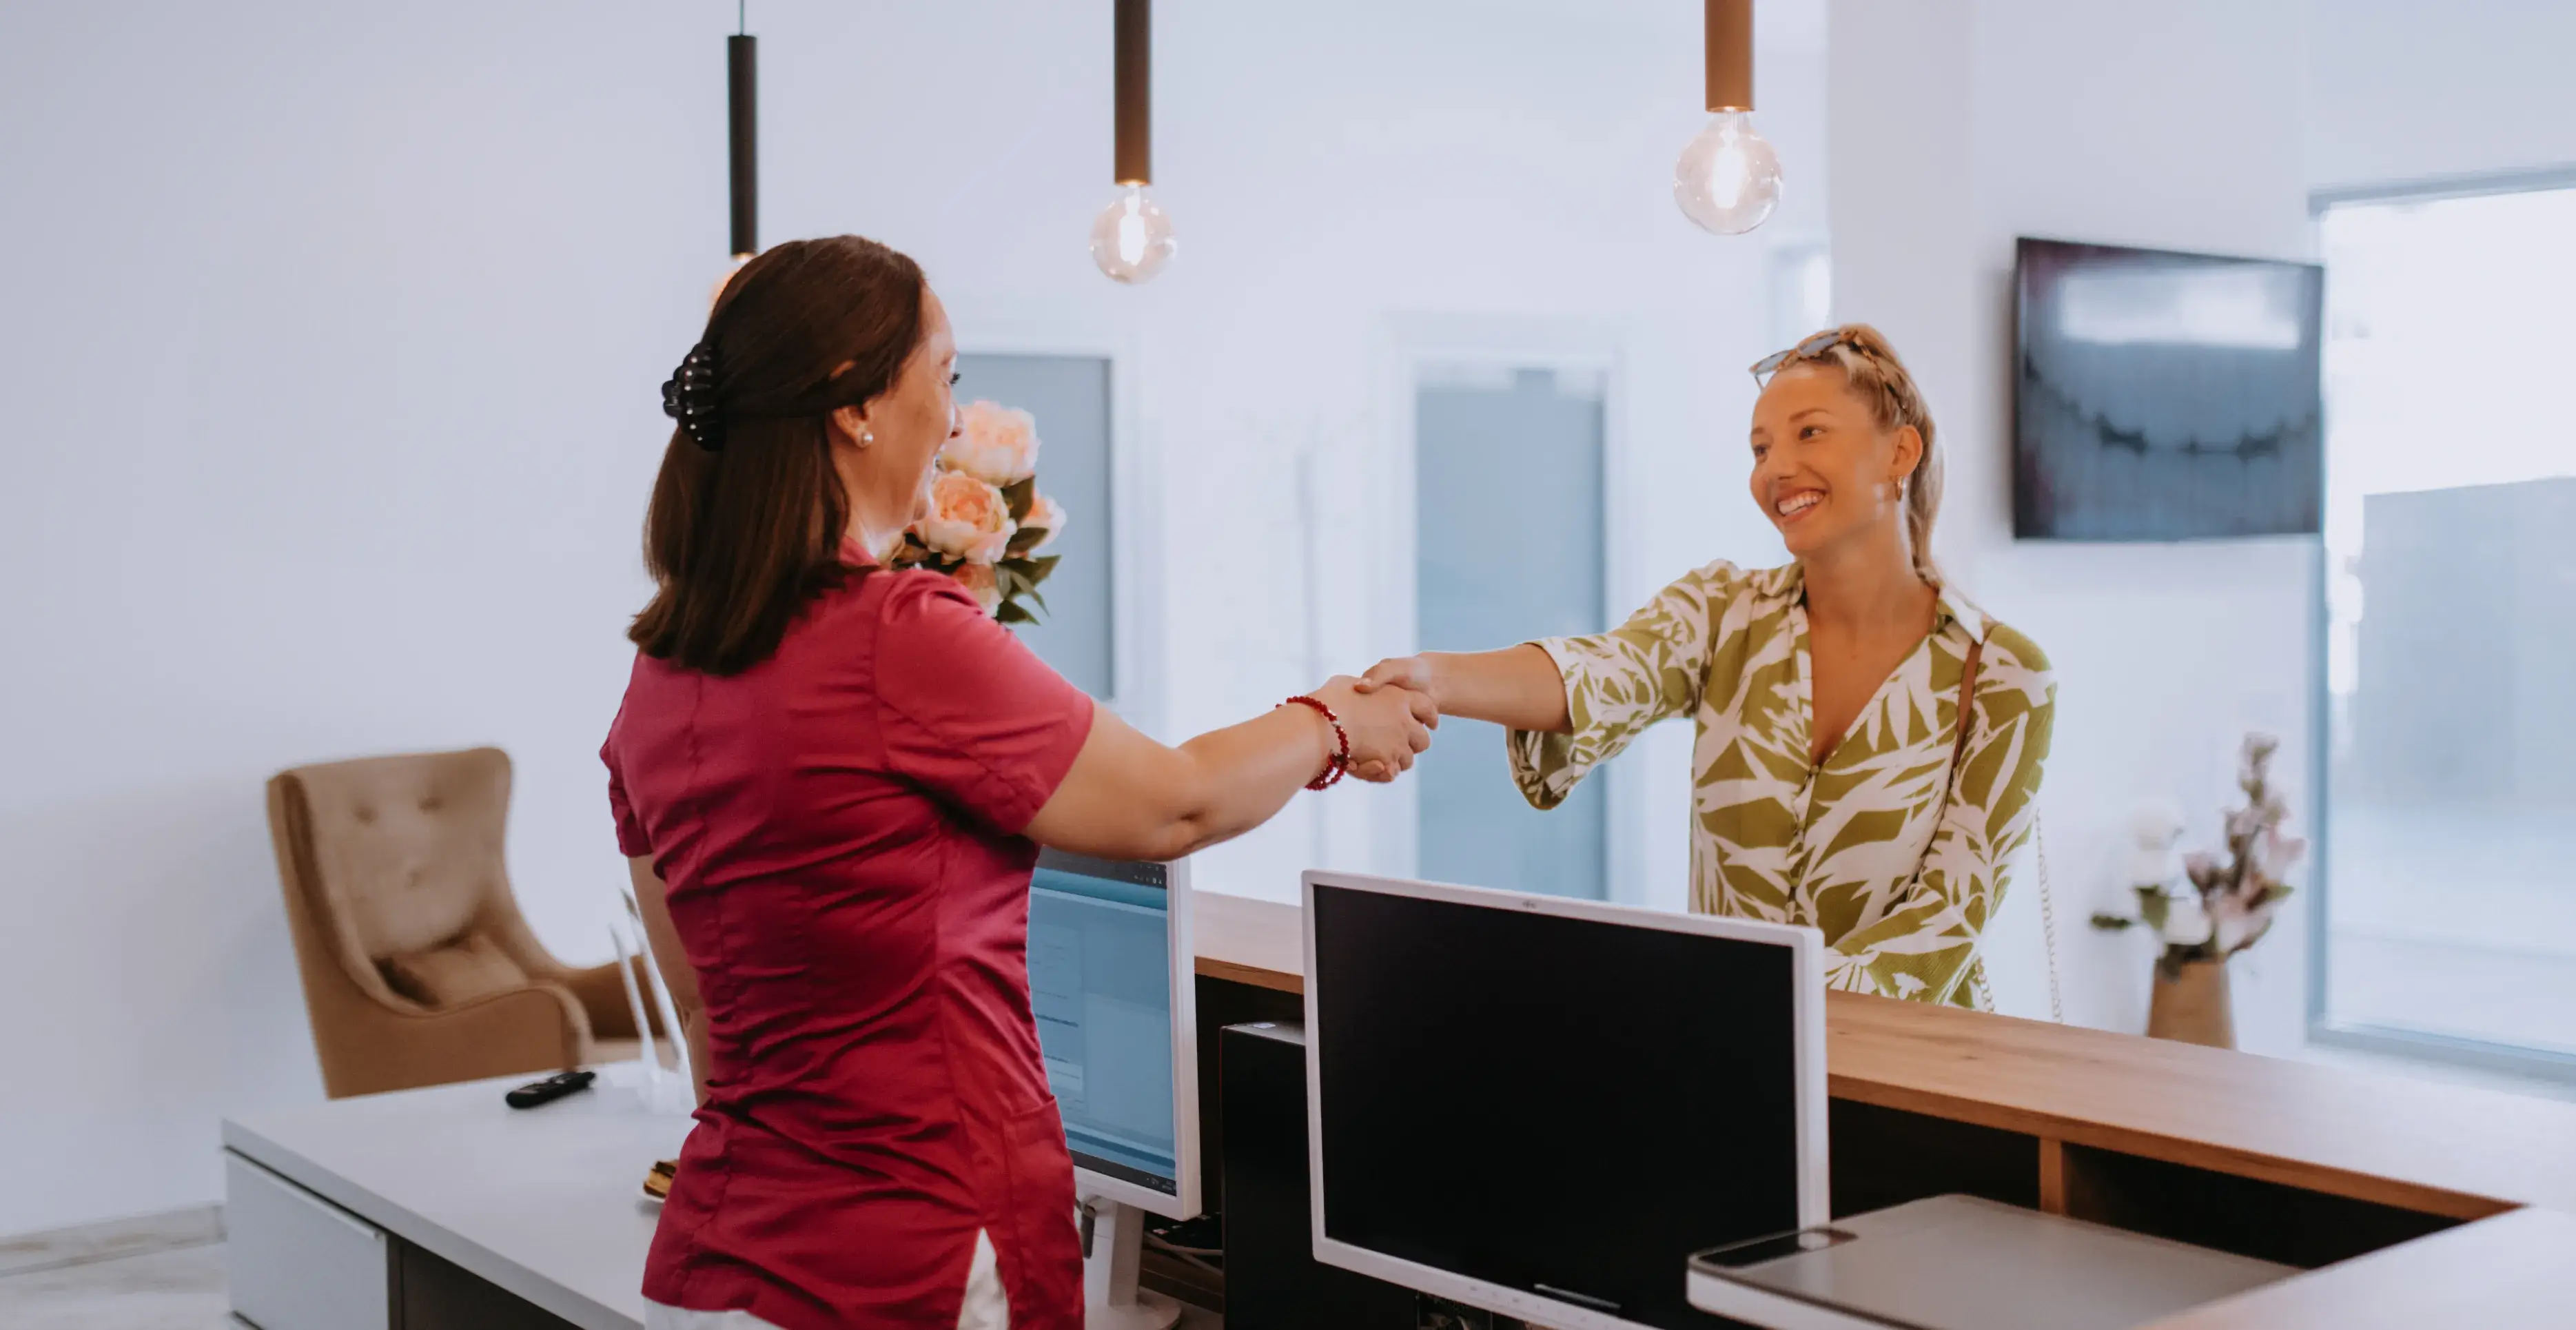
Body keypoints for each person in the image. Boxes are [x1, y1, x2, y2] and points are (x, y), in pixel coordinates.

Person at [602, 236, 1434, 1330]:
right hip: (922, 1251)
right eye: (944, 376)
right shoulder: (896, 636)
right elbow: (1172, 801)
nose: (953, 419)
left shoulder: (660, 680)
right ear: (854, 405)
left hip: (737, 1247)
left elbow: (707, 1014)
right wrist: (1333, 720)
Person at [1360, 325, 2055, 1009]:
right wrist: (1434, 679)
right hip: (1738, 1061)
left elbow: (1944, 920)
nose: (1775, 469)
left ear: (1900, 451)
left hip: (1918, 1086)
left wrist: (1748, 1008)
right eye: (1760, 447)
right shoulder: (1723, 612)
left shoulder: (2004, 674)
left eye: (1809, 432)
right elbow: (1603, 672)